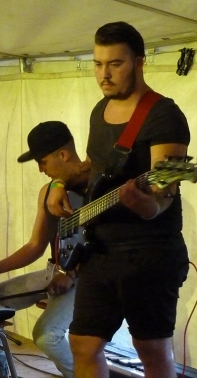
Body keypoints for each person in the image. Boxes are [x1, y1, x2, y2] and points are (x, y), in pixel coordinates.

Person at [47, 21, 190, 378]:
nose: (104, 74)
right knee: (83, 343)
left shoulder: (164, 115)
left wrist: (143, 204)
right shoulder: (100, 110)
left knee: (151, 351)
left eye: (115, 64)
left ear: (139, 62)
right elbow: (94, 168)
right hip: (100, 251)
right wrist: (61, 183)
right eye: (97, 64)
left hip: (148, 253)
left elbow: (164, 196)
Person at [0, 121, 89, 378]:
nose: (40, 169)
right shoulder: (48, 192)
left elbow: (104, 246)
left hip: (87, 277)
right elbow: (35, 246)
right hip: (54, 271)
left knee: (46, 335)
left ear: (63, 154)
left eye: (42, 161)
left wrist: (70, 275)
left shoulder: (96, 187)